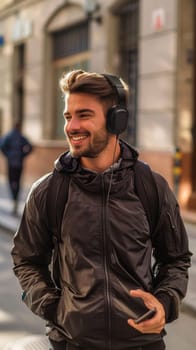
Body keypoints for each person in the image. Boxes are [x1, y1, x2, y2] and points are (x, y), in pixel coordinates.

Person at [11, 70, 191, 350]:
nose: (71, 127)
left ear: (116, 120)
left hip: (143, 344)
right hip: (72, 344)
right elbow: (26, 260)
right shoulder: (49, 192)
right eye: (68, 117)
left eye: (84, 115)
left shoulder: (150, 187)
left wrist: (166, 302)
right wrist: (54, 308)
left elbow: (176, 258)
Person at [0, 121, 33, 214]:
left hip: (11, 163)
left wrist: (8, 155)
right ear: (19, 127)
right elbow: (30, 147)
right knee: (18, 182)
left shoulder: (9, 136)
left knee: (11, 181)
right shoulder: (21, 137)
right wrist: (23, 155)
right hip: (19, 163)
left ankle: (14, 198)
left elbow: (2, 146)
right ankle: (16, 199)